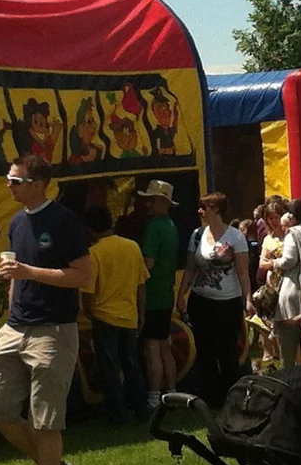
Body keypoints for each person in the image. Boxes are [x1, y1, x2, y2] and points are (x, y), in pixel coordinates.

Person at [0, 154, 93, 465]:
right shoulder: (16, 222)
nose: (8, 185)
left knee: (46, 420)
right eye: (8, 179)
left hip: (53, 331)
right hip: (16, 327)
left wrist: (28, 271)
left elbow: (81, 275)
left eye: (15, 180)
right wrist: (14, 300)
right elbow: (16, 275)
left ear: (38, 183)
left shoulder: (64, 221)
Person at [85, 203, 148, 422]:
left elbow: (88, 291)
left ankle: (116, 413)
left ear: (90, 229)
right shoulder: (132, 247)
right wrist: (141, 312)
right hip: (129, 314)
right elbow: (141, 283)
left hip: (104, 317)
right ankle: (141, 407)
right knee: (132, 364)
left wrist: (87, 312)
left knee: (109, 367)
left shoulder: (94, 253)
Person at [186, 191, 249, 405]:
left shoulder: (235, 237)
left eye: (204, 207)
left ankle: (232, 396)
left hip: (227, 302)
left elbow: (242, 272)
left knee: (227, 350)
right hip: (200, 300)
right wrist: (181, 295)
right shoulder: (197, 234)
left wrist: (247, 299)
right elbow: (189, 269)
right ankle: (209, 398)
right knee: (204, 350)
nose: (200, 211)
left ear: (216, 210)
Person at [136, 180, 183, 401]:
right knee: (165, 343)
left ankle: (154, 395)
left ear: (161, 202)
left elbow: (149, 263)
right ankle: (172, 390)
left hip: (152, 295)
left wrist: (131, 269)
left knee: (152, 346)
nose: (148, 204)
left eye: (151, 200)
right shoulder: (171, 226)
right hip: (166, 293)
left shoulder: (153, 227)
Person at [272, 198, 301, 370]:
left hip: (293, 287)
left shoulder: (295, 233)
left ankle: (290, 372)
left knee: (289, 337)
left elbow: (289, 260)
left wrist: (275, 262)